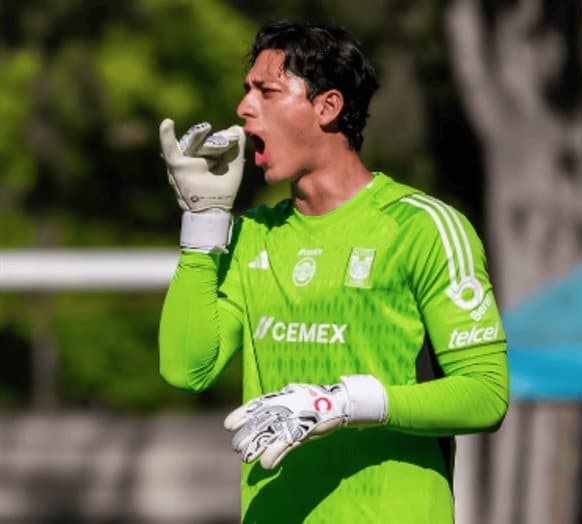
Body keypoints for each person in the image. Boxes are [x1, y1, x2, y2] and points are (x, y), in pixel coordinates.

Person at [158, 20, 508, 523]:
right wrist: (203, 221)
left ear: (328, 107)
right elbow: (187, 369)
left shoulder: (422, 227)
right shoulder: (253, 234)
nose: (243, 107)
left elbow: (486, 395)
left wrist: (343, 403)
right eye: (247, 91)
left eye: (267, 92)